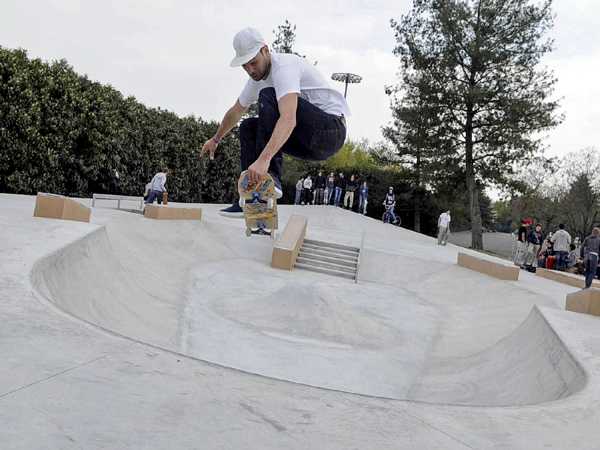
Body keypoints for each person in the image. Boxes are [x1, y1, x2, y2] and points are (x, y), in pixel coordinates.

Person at [200, 27, 349, 217]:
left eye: (253, 63)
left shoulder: (285, 67)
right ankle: (251, 198)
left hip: (331, 131)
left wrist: (264, 161)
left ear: (265, 50)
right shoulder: (256, 79)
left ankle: (271, 176)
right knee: (248, 127)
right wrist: (215, 139)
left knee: (269, 95)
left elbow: (288, 119)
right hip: (306, 139)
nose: (250, 70)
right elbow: (236, 111)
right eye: (245, 66)